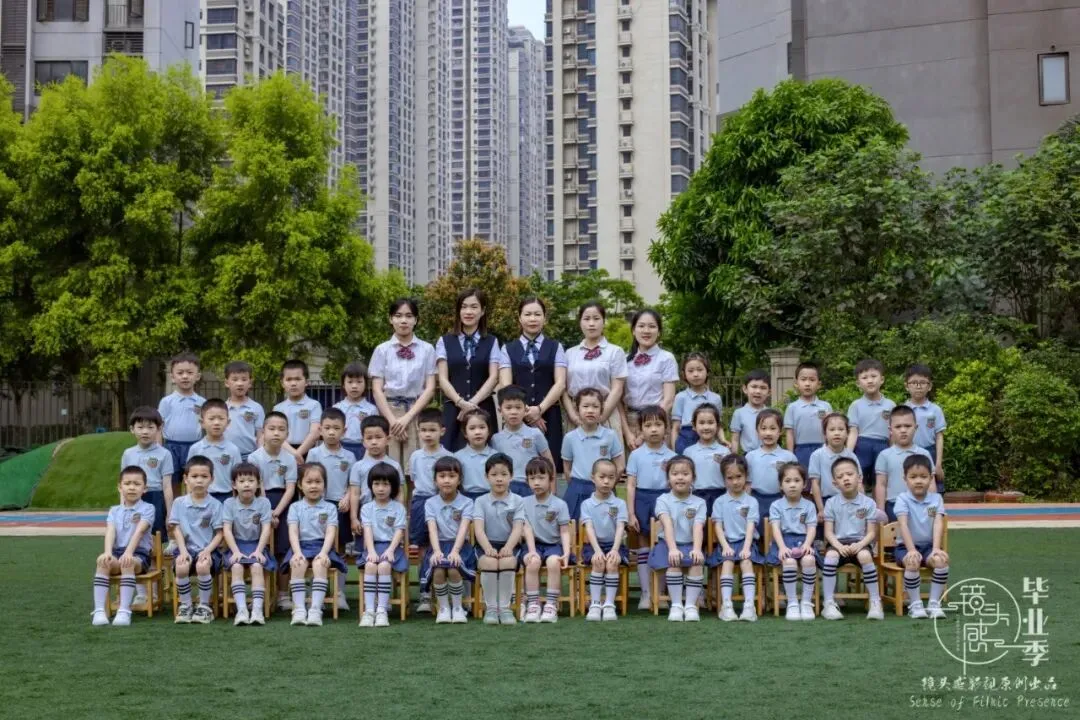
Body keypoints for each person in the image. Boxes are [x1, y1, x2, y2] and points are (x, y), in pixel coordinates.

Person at [499, 296, 568, 471]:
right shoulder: (508, 349)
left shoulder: (556, 347)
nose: (532, 319)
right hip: (517, 416)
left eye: (537, 314)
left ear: (544, 318)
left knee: (550, 466)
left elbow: (560, 383)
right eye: (528, 314)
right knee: (516, 465)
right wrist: (526, 412)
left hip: (549, 415)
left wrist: (539, 409)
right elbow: (506, 386)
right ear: (519, 318)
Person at [370, 297, 437, 467]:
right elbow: (377, 390)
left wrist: (407, 418)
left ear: (416, 320)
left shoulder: (427, 349)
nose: (403, 320)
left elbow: (430, 388)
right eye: (398, 316)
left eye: (409, 316)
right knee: (387, 467)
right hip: (388, 412)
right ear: (390, 319)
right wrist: (393, 421)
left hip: (416, 411)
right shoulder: (382, 350)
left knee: (415, 467)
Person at [624, 404, 676, 610]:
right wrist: (631, 513)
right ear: (640, 430)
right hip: (642, 499)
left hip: (664, 500)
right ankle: (646, 593)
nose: (653, 429)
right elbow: (630, 485)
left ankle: (660, 593)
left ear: (666, 428)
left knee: (662, 544)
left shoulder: (672, 456)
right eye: (648, 425)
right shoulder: (636, 455)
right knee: (643, 543)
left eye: (658, 424)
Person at [820, 457, 884, 621]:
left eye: (849, 474)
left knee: (865, 556)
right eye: (840, 477)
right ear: (835, 483)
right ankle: (828, 603)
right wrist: (838, 546)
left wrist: (860, 544)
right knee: (830, 556)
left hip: (860, 543)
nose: (846, 479)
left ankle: (875, 602)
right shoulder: (831, 503)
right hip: (838, 544)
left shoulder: (869, 503)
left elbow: (871, 533)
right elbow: (828, 532)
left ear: (859, 477)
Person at [284, 463, 348, 626]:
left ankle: (315, 609)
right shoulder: (295, 507)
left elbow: (330, 533)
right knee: (298, 564)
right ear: (300, 485)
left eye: (318, 482)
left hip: (322, 547)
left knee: (320, 564)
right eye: (309, 482)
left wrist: (324, 552)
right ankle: (299, 609)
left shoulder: (330, 507)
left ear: (324, 484)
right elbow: (293, 532)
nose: (313, 486)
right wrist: (297, 552)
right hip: (301, 546)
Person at [437, 288, 501, 451]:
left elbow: (494, 377)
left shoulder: (492, 341)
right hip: (453, 410)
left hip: (483, 409)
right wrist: (460, 402)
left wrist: (472, 404)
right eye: (464, 307)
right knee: (450, 457)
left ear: (482, 311)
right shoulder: (444, 341)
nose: (468, 312)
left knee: (486, 457)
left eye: (474, 307)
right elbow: (442, 378)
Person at [91, 467, 155, 626]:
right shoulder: (114, 510)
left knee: (127, 562)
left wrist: (128, 553)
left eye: (137, 484)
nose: (132, 487)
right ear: (120, 487)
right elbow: (110, 532)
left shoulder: (148, 508)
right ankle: (99, 611)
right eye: (127, 483)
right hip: (117, 553)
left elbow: (140, 532)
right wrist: (107, 553)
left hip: (139, 554)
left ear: (144, 488)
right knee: (102, 561)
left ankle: (124, 611)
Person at [307, 407, 356, 609]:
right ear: (320, 429)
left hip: (340, 506)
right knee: (317, 546)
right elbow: (308, 479)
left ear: (344, 431)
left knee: (340, 547)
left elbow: (353, 484)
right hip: (318, 505)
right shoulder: (314, 453)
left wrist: (347, 498)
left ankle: (339, 592)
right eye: (327, 428)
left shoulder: (349, 456)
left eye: (336, 428)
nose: (331, 432)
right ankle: (317, 592)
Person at [248, 411, 298, 611]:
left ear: (287, 433)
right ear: (263, 431)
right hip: (260, 502)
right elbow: (257, 486)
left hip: (284, 505)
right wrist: (268, 512)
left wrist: (276, 512)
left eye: (281, 429)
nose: (276, 433)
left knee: (283, 549)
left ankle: (283, 594)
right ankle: (261, 593)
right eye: (272, 428)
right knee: (261, 548)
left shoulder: (290, 459)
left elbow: (291, 489)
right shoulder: (254, 458)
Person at [648, 455, 707, 622]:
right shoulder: (663, 500)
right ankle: (676, 605)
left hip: (690, 544)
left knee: (696, 563)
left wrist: (697, 549)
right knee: (673, 561)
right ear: (668, 478)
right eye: (675, 474)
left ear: (693, 477)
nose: (680, 477)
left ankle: (690, 606)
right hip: (667, 544)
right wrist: (673, 549)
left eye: (685, 474)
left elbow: (698, 527)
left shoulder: (700, 502)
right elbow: (667, 525)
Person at [421, 456, 477, 624]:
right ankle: (444, 608)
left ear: (459, 480)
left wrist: (455, 551)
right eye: (442, 476)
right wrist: (437, 551)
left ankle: (458, 608)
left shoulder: (467, 502)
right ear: (435, 480)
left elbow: (463, 528)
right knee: (438, 568)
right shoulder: (430, 503)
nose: (447, 480)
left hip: (460, 546)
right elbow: (432, 529)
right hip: (438, 545)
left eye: (452, 476)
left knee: (453, 567)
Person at [168, 455, 224, 624]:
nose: (199, 480)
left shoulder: (216, 505)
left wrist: (207, 551)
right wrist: (183, 550)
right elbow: (176, 528)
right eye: (194, 476)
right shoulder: (179, 503)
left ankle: (204, 607)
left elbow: (220, 534)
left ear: (212, 479)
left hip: (209, 550)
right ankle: (186, 606)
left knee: (202, 565)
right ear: (186, 479)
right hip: (186, 549)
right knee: (181, 565)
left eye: (204, 476)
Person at [709, 454, 765, 622]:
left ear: (746, 476)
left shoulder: (752, 501)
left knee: (746, 562)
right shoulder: (719, 502)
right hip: (727, 543)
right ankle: (726, 605)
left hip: (746, 542)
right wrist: (725, 546)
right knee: (727, 562)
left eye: (739, 477)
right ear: (724, 479)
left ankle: (749, 605)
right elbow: (718, 526)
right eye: (730, 478)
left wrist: (747, 548)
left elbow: (751, 527)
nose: (735, 482)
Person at [407, 408, 452, 613]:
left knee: (441, 544)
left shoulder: (448, 456)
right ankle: (424, 593)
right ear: (418, 431)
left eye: (432, 430)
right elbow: (413, 482)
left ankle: (443, 591)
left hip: (443, 502)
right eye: (423, 430)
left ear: (442, 431)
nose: (427, 434)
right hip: (420, 502)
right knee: (422, 548)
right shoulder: (415, 456)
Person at [894, 455, 950, 620]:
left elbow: (938, 523)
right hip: (905, 547)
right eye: (913, 477)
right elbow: (903, 524)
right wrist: (911, 550)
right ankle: (915, 604)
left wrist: (936, 549)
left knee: (941, 561)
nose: (918, 481)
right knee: (912, 561)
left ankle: (934, 603)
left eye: (923, 477)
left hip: (929, 546)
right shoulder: (902, 499)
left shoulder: (936, 499)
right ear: (905, 479)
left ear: (931, 478)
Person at [473, 453, 525, 625]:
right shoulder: (480, 501)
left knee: (507, 561)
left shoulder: (518, 501)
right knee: (489, 562)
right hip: (486, 544)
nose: (499, 479)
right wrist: (487, 548)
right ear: (486, 477)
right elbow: (479, 529)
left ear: (511, 476)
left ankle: (505, 608)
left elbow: (518, 528)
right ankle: (491, 609)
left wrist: (509, 547)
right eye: (494, 474)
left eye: (504, 474)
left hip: (510, 544)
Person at [222, 462, 275, 626]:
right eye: (242, 481)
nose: (246, 484)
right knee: (237, 567)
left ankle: (257, 610)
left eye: (251, 481)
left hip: (257, 545)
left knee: (257, 566)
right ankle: (242, 610)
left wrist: (259, 551)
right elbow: (227, 530)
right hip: (236, 546)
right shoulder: (229, 503)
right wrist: (235, 552)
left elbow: (266, 529)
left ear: (258, 484)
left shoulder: (264, 503)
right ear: (234, 485)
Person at [520, 457, 572, 623]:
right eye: (532, 478)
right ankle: (533, 604)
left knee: (553, 562)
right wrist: (532, 551)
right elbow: (526, 529)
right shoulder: (523, 503)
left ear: (551, 479)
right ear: (527, 481)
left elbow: (564, 531)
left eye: (541, 478)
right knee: (533, 562)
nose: (536, 482)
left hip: (553, 546)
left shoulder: (560, 504)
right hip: (532, 545)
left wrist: (566, 552)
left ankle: (551, 604)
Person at [561, 387, 626, 522]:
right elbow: (567, 469)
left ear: (601, 410)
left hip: (604, 489)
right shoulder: (570, 438)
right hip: (577, 490)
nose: (590, 410)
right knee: (576, 528)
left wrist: (606, 484)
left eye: (595, 407)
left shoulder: (610, 435)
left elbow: (620, 466)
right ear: (577, 409)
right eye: (585, 406)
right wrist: (575, 486)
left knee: (605, 526)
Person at [357, 462, 408, 628]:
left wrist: (391, 550)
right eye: (376, 484)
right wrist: (371, 551)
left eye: (385, 484)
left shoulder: (399, 508)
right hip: (373, 547)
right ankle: (369, 610)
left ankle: (382, 610)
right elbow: (367, 531)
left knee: (385, 566)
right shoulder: (366, 508)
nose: (380, 488)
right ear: (371, 485)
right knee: (370, 565)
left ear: (393, 486)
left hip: (393, 548)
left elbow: (399, 531)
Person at [562, 301, 627, 431]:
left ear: (604, 322)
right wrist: (573, 416)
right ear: (580, 322)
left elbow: (617, 389)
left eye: (596, 318)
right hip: (576, 416)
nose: (591, 323)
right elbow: (562, 388)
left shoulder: (615, 352)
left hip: (606, 414)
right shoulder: (569, 353)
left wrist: (600, 417)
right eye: (586, 319)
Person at [766, 463, 818, 621]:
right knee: (789, 562)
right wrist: (782, 547)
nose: (792, 485)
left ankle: (806, 602)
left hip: (804, 541)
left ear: (804, 484)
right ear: (781, 485)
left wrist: (807, 544)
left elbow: (811, 528)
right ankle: (792, 602)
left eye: (797, 480)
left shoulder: (809, 505)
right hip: (783, 542)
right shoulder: (776, 505)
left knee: (809, 560)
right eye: (787, 481)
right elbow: (775, 529)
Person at [621, 309, 679, 451]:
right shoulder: (624, 359)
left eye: (652, 326)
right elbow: (619, 400)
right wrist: (627, 434)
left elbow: (668, 400)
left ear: (659, 332)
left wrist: (644, 433)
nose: (646, 331)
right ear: (633, 330)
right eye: (641, 326)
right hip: (630, 423)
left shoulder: (666, 358)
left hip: (657, 423)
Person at [579, 458, 628, 622]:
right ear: (593, 478)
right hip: (594, 546)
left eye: (611, 477)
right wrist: (597, 550)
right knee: (598, 561)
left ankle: (609, 604)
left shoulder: (620, 503)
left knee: (612, 562)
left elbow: (620, 527)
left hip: (615, 545)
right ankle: (595, 604)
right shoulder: (586, 504)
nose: (606, 481)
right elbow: (589, 528)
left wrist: (614, 550)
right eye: (602, 477)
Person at [491, 385, 556, 497]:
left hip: (532, 487)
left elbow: (549, 462)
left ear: (525, 410)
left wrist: (553, 491)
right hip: (507, 490)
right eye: (508, 408)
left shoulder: (535, 434)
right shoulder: (496, 439)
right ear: (500, 411)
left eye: (518, 407)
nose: (513, 412)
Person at [120, 407, 174, 542]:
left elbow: (167, 486)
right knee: (134, 534)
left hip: (155, 497)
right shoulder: (128, 453)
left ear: (159, 429)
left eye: (150, 427)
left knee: (156, 536)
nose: (145, 432)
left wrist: (170, 513)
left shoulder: (165, 454)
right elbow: (123, 483)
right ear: (132, 429)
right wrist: (122, 507)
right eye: (140, 427)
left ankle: (156, 556)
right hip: (133, 497)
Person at [874, 405, 934, 521]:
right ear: (890, 430)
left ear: (916, 427)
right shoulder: (884, 455)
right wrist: (881, 512)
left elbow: (931, 483)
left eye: (907, 426)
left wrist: (932, 507)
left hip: (920, 505)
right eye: (898, 427)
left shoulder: (924, 454)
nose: (903, 430)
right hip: (893, 506)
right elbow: (881, 484)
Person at [348, 416, 405, 532]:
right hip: (365, 511)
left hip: (390, 512)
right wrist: (353, 518)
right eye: (369, 438)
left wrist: (401, 513)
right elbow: (354, 493)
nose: (374, 442)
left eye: (378, 437)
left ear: (388, 439)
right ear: (363, 442)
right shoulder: (358, 466)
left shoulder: (395, 466)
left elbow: (399, 492)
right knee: (364, 542)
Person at [157, 352, 205, 485]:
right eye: (180, 373)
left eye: (189, 372)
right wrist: (159, 449)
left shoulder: (202, 402)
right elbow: (158, 427)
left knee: (194, 480)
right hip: (171, 447)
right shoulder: (166, 401)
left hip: (195, 446)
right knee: (173, 481)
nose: (185, 376)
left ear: (197, 376)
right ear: (173, 377)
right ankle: (174, 500)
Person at [846, 358, 896, 483]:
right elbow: (853, 431)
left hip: (883, 446)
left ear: (882, 379)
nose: (870, 381)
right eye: (864, 377)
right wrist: (848, 453)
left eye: (873, 376)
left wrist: (894, 451)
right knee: (858, 479)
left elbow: (893, 433)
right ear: (858, 383)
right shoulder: (855, 405)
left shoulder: (890, 405)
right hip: (862, 445)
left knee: (880, 479)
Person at [745, 408, 797, 519]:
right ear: (757, 431)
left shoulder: (789, 457)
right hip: (757, 500)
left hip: (781, 499)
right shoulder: (750, 456)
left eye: (773, 428)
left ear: (780, 431)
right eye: (763, 428)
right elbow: (748, 484)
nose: (768, 433)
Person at [807, 413, 861, 521]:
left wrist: (860, 504)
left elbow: (859, 482)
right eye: (832, 430)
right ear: (825, 434)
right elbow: (815, 484)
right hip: (826, 501)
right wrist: (821, 509)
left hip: (849, 501)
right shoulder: (817, 455)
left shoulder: (851, 456)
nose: (837, 433)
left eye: (841, 429)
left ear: (847, 433)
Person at [187, 398, 241, 504]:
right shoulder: (195, 449)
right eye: (211, 419)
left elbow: (237, 479)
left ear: (228, 422)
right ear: (202, 422)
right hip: (201, 497)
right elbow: (189, 479)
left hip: (226, 498)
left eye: (221, 418)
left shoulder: (233, 450)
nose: (216, 423)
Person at [903, 364, 947, 493]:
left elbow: (939, 437)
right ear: (907, 386)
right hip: (908, 452)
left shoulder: (935, 410)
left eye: (922, 382)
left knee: (934, 488)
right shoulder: (903, 410)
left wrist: (938, 463)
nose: (918, 386)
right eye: (914, 383)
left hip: (930, 451)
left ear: (930, 386)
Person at [670, 352, 724, 452]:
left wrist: (723, 440)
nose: (695, 374)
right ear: (684, 374)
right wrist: (674, 451)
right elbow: (675, 427)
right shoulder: (680, 397)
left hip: (709, 438)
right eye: (690, 371)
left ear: (707, 371)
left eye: (700, 370)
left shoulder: (716, 398)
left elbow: (718, 425)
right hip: (686, 440)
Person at [783, 362, 832, 468]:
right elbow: (789, 434)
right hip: (801, 450)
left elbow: (830, 429)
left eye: (812, 380)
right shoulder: (792, 407)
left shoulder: (826, 406)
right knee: (803, 476)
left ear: (819, 384)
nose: (807, 383)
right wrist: (790, 455)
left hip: (823, 448)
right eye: (803, 379)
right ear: (796, 383)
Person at [683, 404, 730, 516]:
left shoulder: (725, 452)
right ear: (694, 426)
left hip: (720, 496)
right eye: (701, 423)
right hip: (696, 497)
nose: (706, 427)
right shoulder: (688, 452)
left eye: (710, 422)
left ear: (718, 425)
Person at [274, 359, 323, 463]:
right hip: (284, 451)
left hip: (308, 452)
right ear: (282, 383)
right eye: (289, 379)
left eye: (298, 379)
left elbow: (315, 433)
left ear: (306, 382)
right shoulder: (278, 408)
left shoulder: (314, 405)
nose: (293, 383)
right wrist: (294, 454)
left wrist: (298, 453)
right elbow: (277, 434)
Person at [335, 361, 379, 460]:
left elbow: (375, 432)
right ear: (343, 384)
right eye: (350, 382)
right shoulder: (337, 408)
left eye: (359, 382)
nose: (354, 386)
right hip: (341, 447)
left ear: (366, 384)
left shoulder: (371, 409)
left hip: (365, 448)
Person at [223, 360, 264, 462]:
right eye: (235, 379)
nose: (240, 383)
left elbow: (261, 435)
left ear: (250, 383)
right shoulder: (222, 408)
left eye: (244, 379)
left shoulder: (256, 408)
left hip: (250, 456)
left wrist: (259, 455)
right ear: (227, 383)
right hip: (226, 456)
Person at [453, 408, 497, 500]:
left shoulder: (496, 457)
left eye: (482, 427)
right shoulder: (457, 457)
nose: (477, 432)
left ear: (489, 431)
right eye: (472, 428)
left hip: (491, 498)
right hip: (466, 499)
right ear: (465, 433)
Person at [730, 369, 770, 453]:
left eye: (763, 388)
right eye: (754, 387)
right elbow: (735, 439)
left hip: (769, 454)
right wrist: (734, 457)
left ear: (769, 392)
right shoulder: (739, 413)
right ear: (745, 389)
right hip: (748, 455)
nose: (758, 391)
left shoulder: (771, 413)